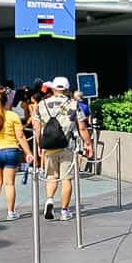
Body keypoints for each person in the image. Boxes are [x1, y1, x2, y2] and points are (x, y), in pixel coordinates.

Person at [33, 76, 93, 220]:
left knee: (51, 177)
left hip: (49, 147)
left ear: (53, 88)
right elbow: (82, 127)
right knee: (66, 179)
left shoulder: (42, 104)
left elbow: (36, 127)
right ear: (66, 89)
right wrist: (89, 144)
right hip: (67, 146)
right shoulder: (73, 104)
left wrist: (40, 144)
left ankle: (49, 200)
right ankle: (64, 211)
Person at [0, 87, 32, 221]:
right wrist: (28, 153)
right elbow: (20, 136)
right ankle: (11, 212)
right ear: (6, 102)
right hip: (11, 151)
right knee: (9, 183)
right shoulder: (13, 115)